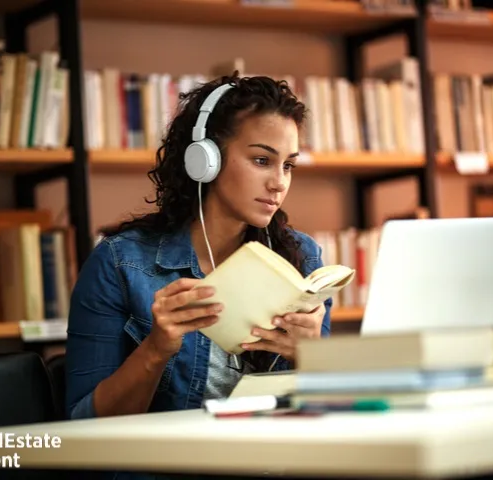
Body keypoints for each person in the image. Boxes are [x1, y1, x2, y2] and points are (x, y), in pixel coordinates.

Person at [65, 73, 333, 424]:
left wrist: (309, 357)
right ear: (206, 160)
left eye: (288, 165)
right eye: (261, 160)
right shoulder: (119, 264)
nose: (279, 183)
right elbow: (83, 421)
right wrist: (156, 349)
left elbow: (325, 413)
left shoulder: (303, 258)